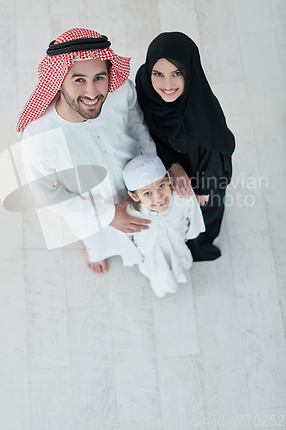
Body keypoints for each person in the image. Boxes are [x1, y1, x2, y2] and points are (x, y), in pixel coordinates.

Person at [17, 28, 156, 274]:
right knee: (97, 239)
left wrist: (151, 168)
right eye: (79, 80)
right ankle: (92, 249)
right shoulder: (39, 138)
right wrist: (108, 215)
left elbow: (138, 125)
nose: (92, 93)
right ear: (58, 80)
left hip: (136, 185)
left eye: (99, 78)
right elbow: (48, 195)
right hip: (90, 207)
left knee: (143, 229)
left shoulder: (121, 91)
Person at [135, 32, 235, 261]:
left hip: (204, 167)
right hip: (169, 158)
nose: (167, 85)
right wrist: (172, 163)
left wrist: (203, 188)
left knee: (207, 207)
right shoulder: (144, 85)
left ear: (189, 72)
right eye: (158, 74)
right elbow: (148, 128)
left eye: (177, 73)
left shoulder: (201, 111)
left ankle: (203, 240)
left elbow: (216, 155)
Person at [119, 154, 205, 297]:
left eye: (161, 186)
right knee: (157, 272)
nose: (158, 198)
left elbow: (194, 215)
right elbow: (123, 235)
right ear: (135, 196)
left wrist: (189, 234)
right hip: (150, 254)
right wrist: (133, 256)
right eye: (147, 193)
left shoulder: (183, 199)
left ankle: (179, 275)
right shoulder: (130, 214)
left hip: (177, 246)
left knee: (178, 263)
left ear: (169, 180)